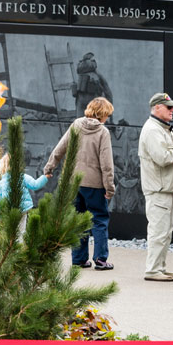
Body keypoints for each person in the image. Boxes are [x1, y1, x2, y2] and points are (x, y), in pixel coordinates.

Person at [44, 96, 117, 270]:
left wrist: (49, 167)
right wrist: (110, 188)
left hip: (73, 182)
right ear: (103, 114)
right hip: (95, 184)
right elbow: (106, 164)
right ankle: (100, 259)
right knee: (99, 220)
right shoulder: (102, 132)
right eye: (107, 114)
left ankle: (79, 259)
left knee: (78, 220)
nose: (107, 118)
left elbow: (60, 148)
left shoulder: (76, 125)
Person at [138, 92, 173, 282]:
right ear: (156, 107)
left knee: (165, 232)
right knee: (158, 232)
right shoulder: (152, 130)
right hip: (159, 189)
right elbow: (163, 158)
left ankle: (159, 267)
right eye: (168, 107)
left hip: (165, 188)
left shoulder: (162, 129)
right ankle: (152, 270)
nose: (172, 110)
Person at [0, 152, 48, 238]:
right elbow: (35, 184)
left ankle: (11, 246)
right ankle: (19, 245)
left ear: (2, 167)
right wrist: (45, 177)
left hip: (8, 211)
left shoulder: (1, 183)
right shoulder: (22, 177)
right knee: (21, 231)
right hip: (23, 208)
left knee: (9, 232)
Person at [73, 52, 113, 119]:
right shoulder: (98, 75)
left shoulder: (81, 76)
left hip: (81, 100)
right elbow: (107, 91)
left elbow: (77, 97)